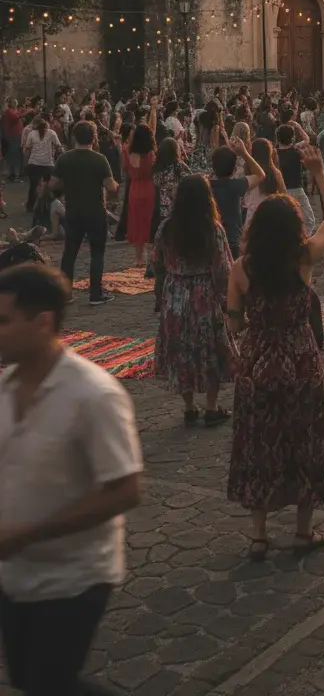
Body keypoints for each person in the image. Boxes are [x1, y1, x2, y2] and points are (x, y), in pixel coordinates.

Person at [0, 263, 143, 695]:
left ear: (43, 322)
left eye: (4, 321)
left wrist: (31, 532)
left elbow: (126, 489)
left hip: (74, 577)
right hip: (14, 575)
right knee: (28, 679)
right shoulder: (5, 387)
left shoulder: (93, 395)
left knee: (48, 684)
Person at [226, 144, 324, 560]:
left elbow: (234, 322)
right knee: (305, 440)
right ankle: (302, 531)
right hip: (300, 358)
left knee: (258, 443)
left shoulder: (241, 267)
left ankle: (258, 534)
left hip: (257, 359)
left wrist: (245, 325)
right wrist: (321, 174)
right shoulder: (303, 256)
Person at [153, 174, 236, 426]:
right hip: (204, 296)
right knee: (210, 350)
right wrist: (227, 300)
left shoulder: (167, 228)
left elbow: (156, 263)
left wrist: (160, 294)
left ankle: (189, 407)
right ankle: (211, 407)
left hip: (175, 294)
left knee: (181, 353)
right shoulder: (213, 229)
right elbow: (223, 269)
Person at [52, 120, 118, 306]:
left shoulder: (64, 159)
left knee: (69, 253)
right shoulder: (99, 159)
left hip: (73, 211)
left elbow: (52, 183)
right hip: (96, 211)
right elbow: (110, 186)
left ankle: (65, 293)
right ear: (93, 138)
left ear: (74, 137)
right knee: (97, 253)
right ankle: (95, 294)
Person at [209, 139, 265, 260]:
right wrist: (244, 153)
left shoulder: (205, 185)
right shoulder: (235, 185)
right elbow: (260, 175)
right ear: (234, 168)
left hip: (210, 240)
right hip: (232, 241)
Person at [122, 112, 157, 268]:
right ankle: (150, 257)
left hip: (134, 189)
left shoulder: (127, 151)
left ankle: (138, 259)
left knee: (136, 222)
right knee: (149, 222)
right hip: (149, 189)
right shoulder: (151, 155)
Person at [276, 123, 316, 236]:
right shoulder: (296, 150)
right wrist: (298, 126)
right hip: (297, 190)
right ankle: (303, 239)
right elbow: (307, 139)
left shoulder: (275, 154)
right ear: (292, 138)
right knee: (309, 219)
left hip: (281, 191)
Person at [151, 137, 190, 243]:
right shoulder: (179, 166)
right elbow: (190, 181)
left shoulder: (157, 168)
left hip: (162, 209)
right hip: (178, 207)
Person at [23, 116, 62, 212]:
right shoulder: (52, 133)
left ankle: (30, 206)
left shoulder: (32, 134)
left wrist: (26, 162)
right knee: (49, 186)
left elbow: (27, 148)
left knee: (33, 185)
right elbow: (58, 146)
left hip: (34, 162)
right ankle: (48, 206)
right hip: (47, 163)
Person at [2, 97, 24, 181]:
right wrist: (28, 111)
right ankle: (15, 175)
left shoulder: (13, 111)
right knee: (14, 155)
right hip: (12, 137)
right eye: (15, 102)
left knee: (16, 154)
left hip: (16, 136)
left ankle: (14, 174)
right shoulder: (9, 112)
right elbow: (16, 117)